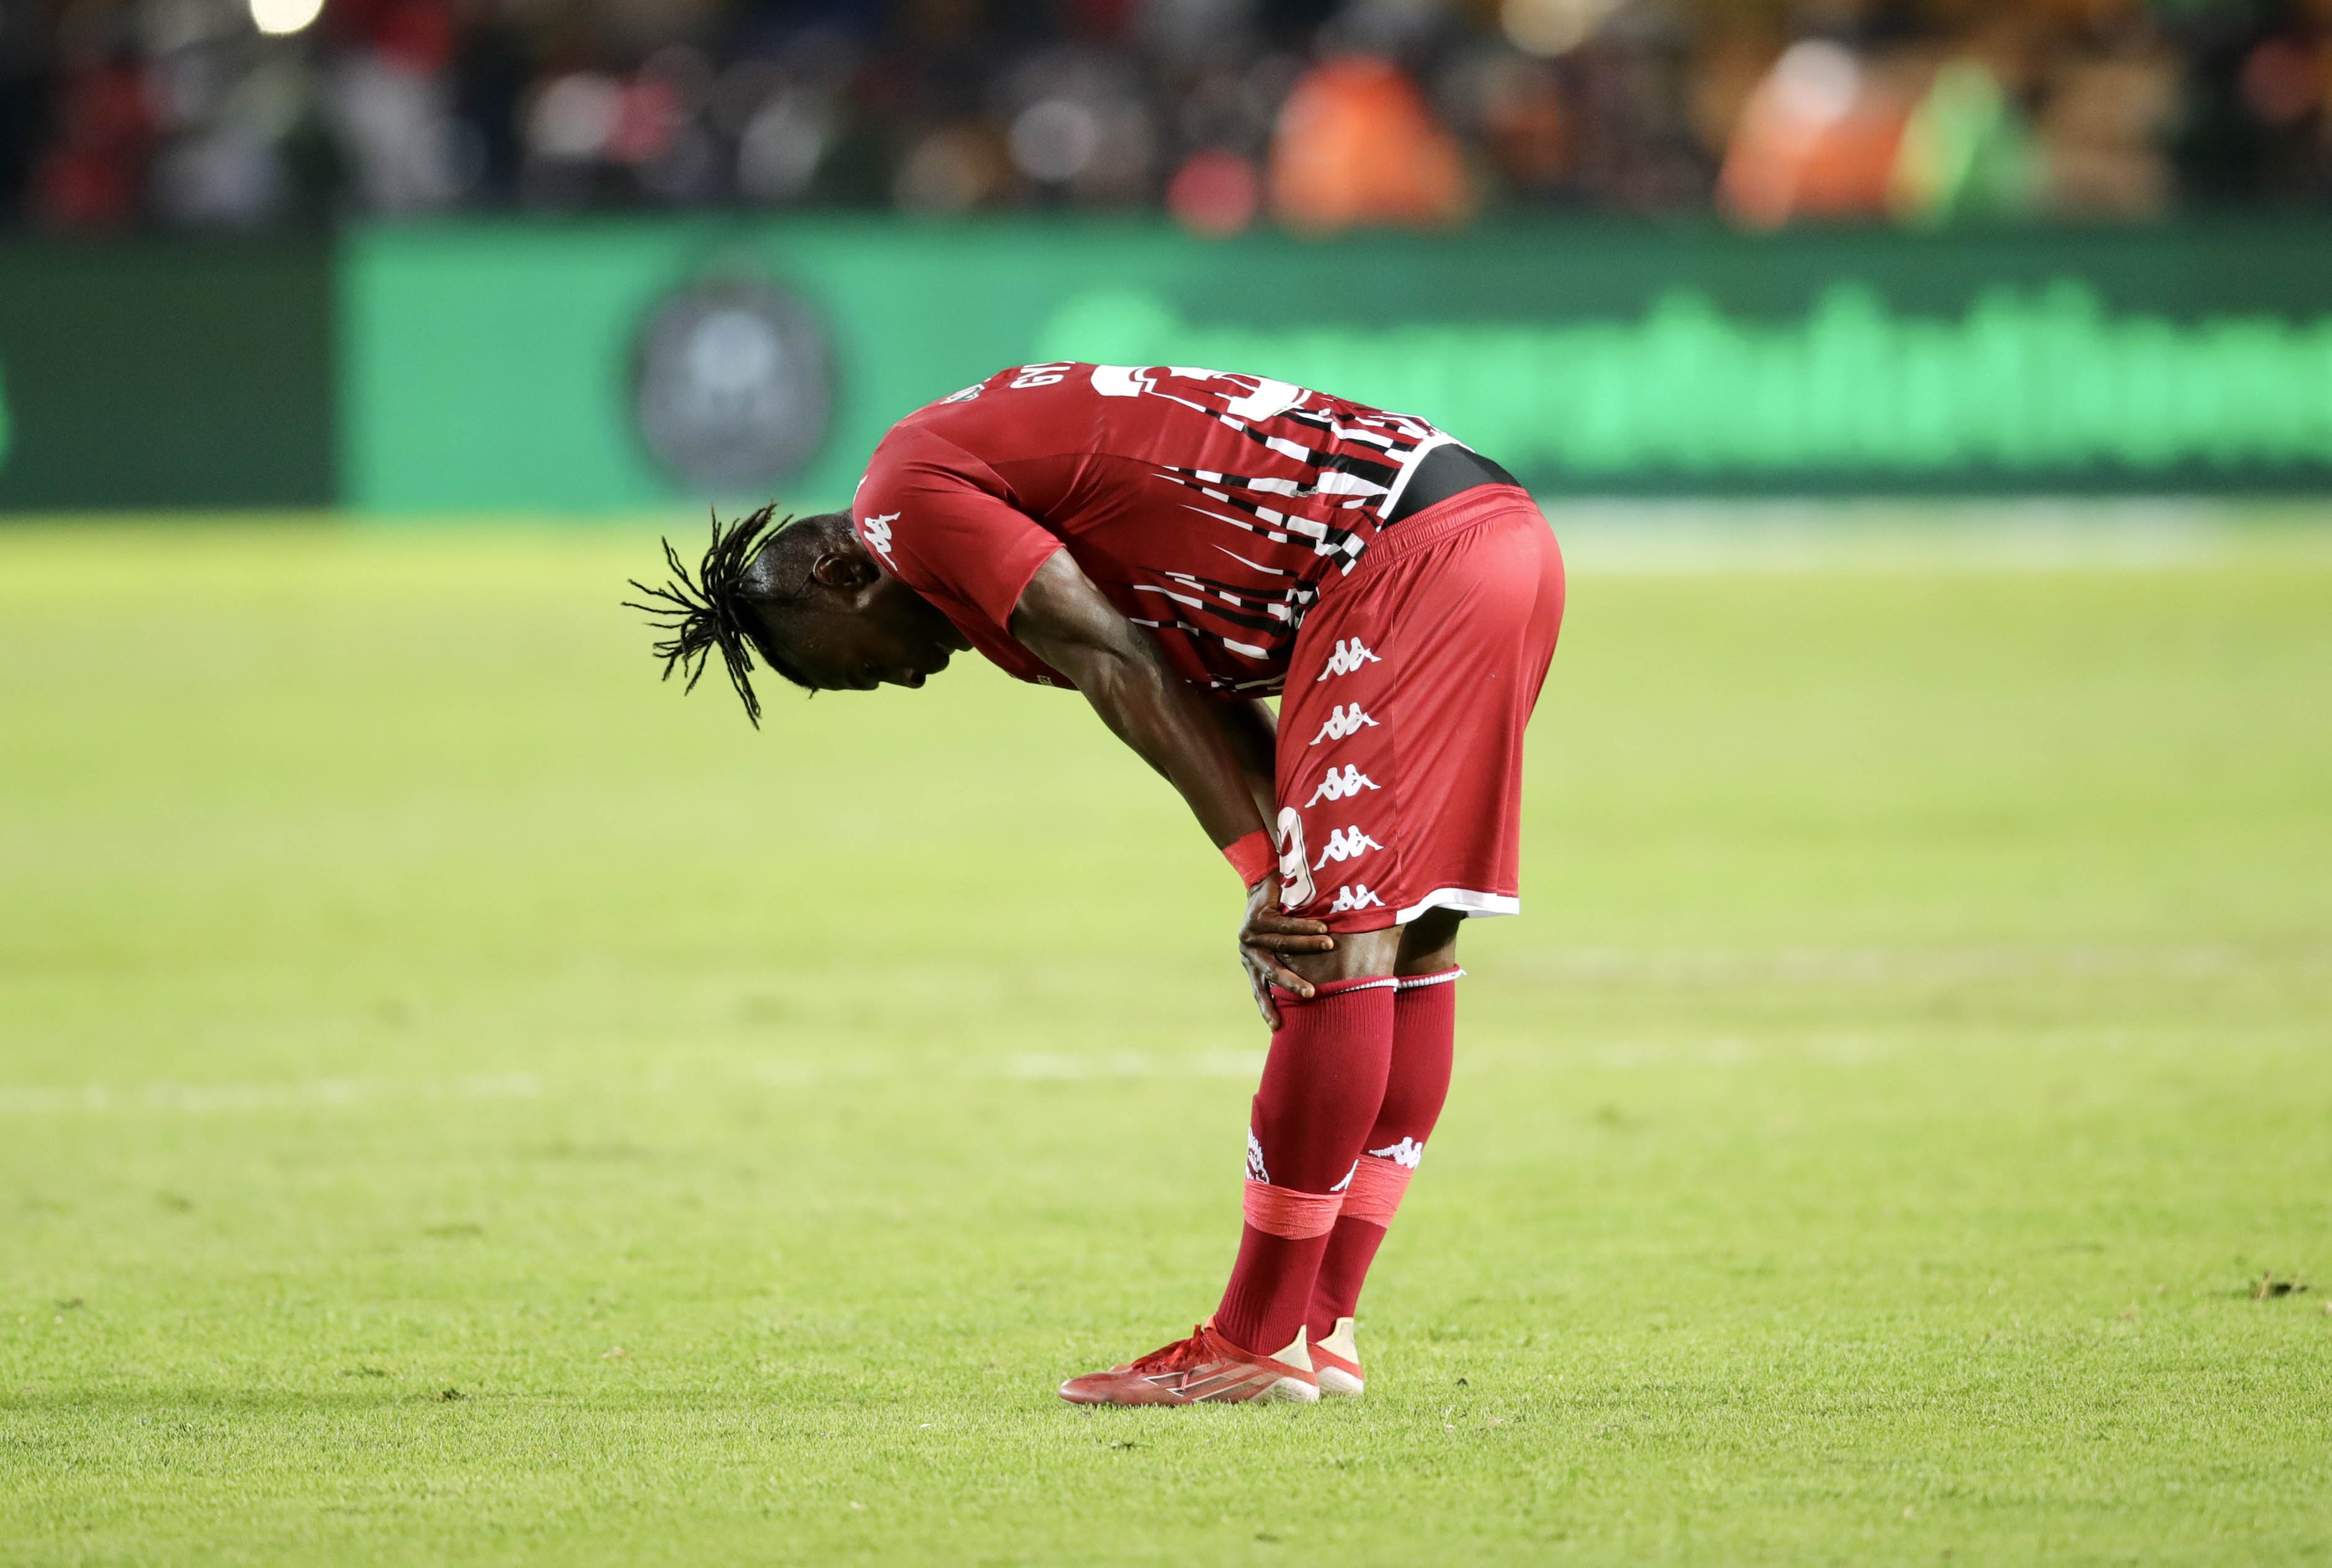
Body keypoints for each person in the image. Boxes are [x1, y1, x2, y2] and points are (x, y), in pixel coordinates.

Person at [628, 362, 1565, 1405]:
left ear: (847, 576)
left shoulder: (903, 500)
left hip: (1401, 564)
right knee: (1412, 940)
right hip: (1489, 535)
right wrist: (1275, 853)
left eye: (856, 668)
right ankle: (1315, 1328)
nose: (896, 681)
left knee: (1326, 948)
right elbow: (1181, 680)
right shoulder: (972, 479)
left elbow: (1120, 662)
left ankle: (1254, 1342)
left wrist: (1268, 879)